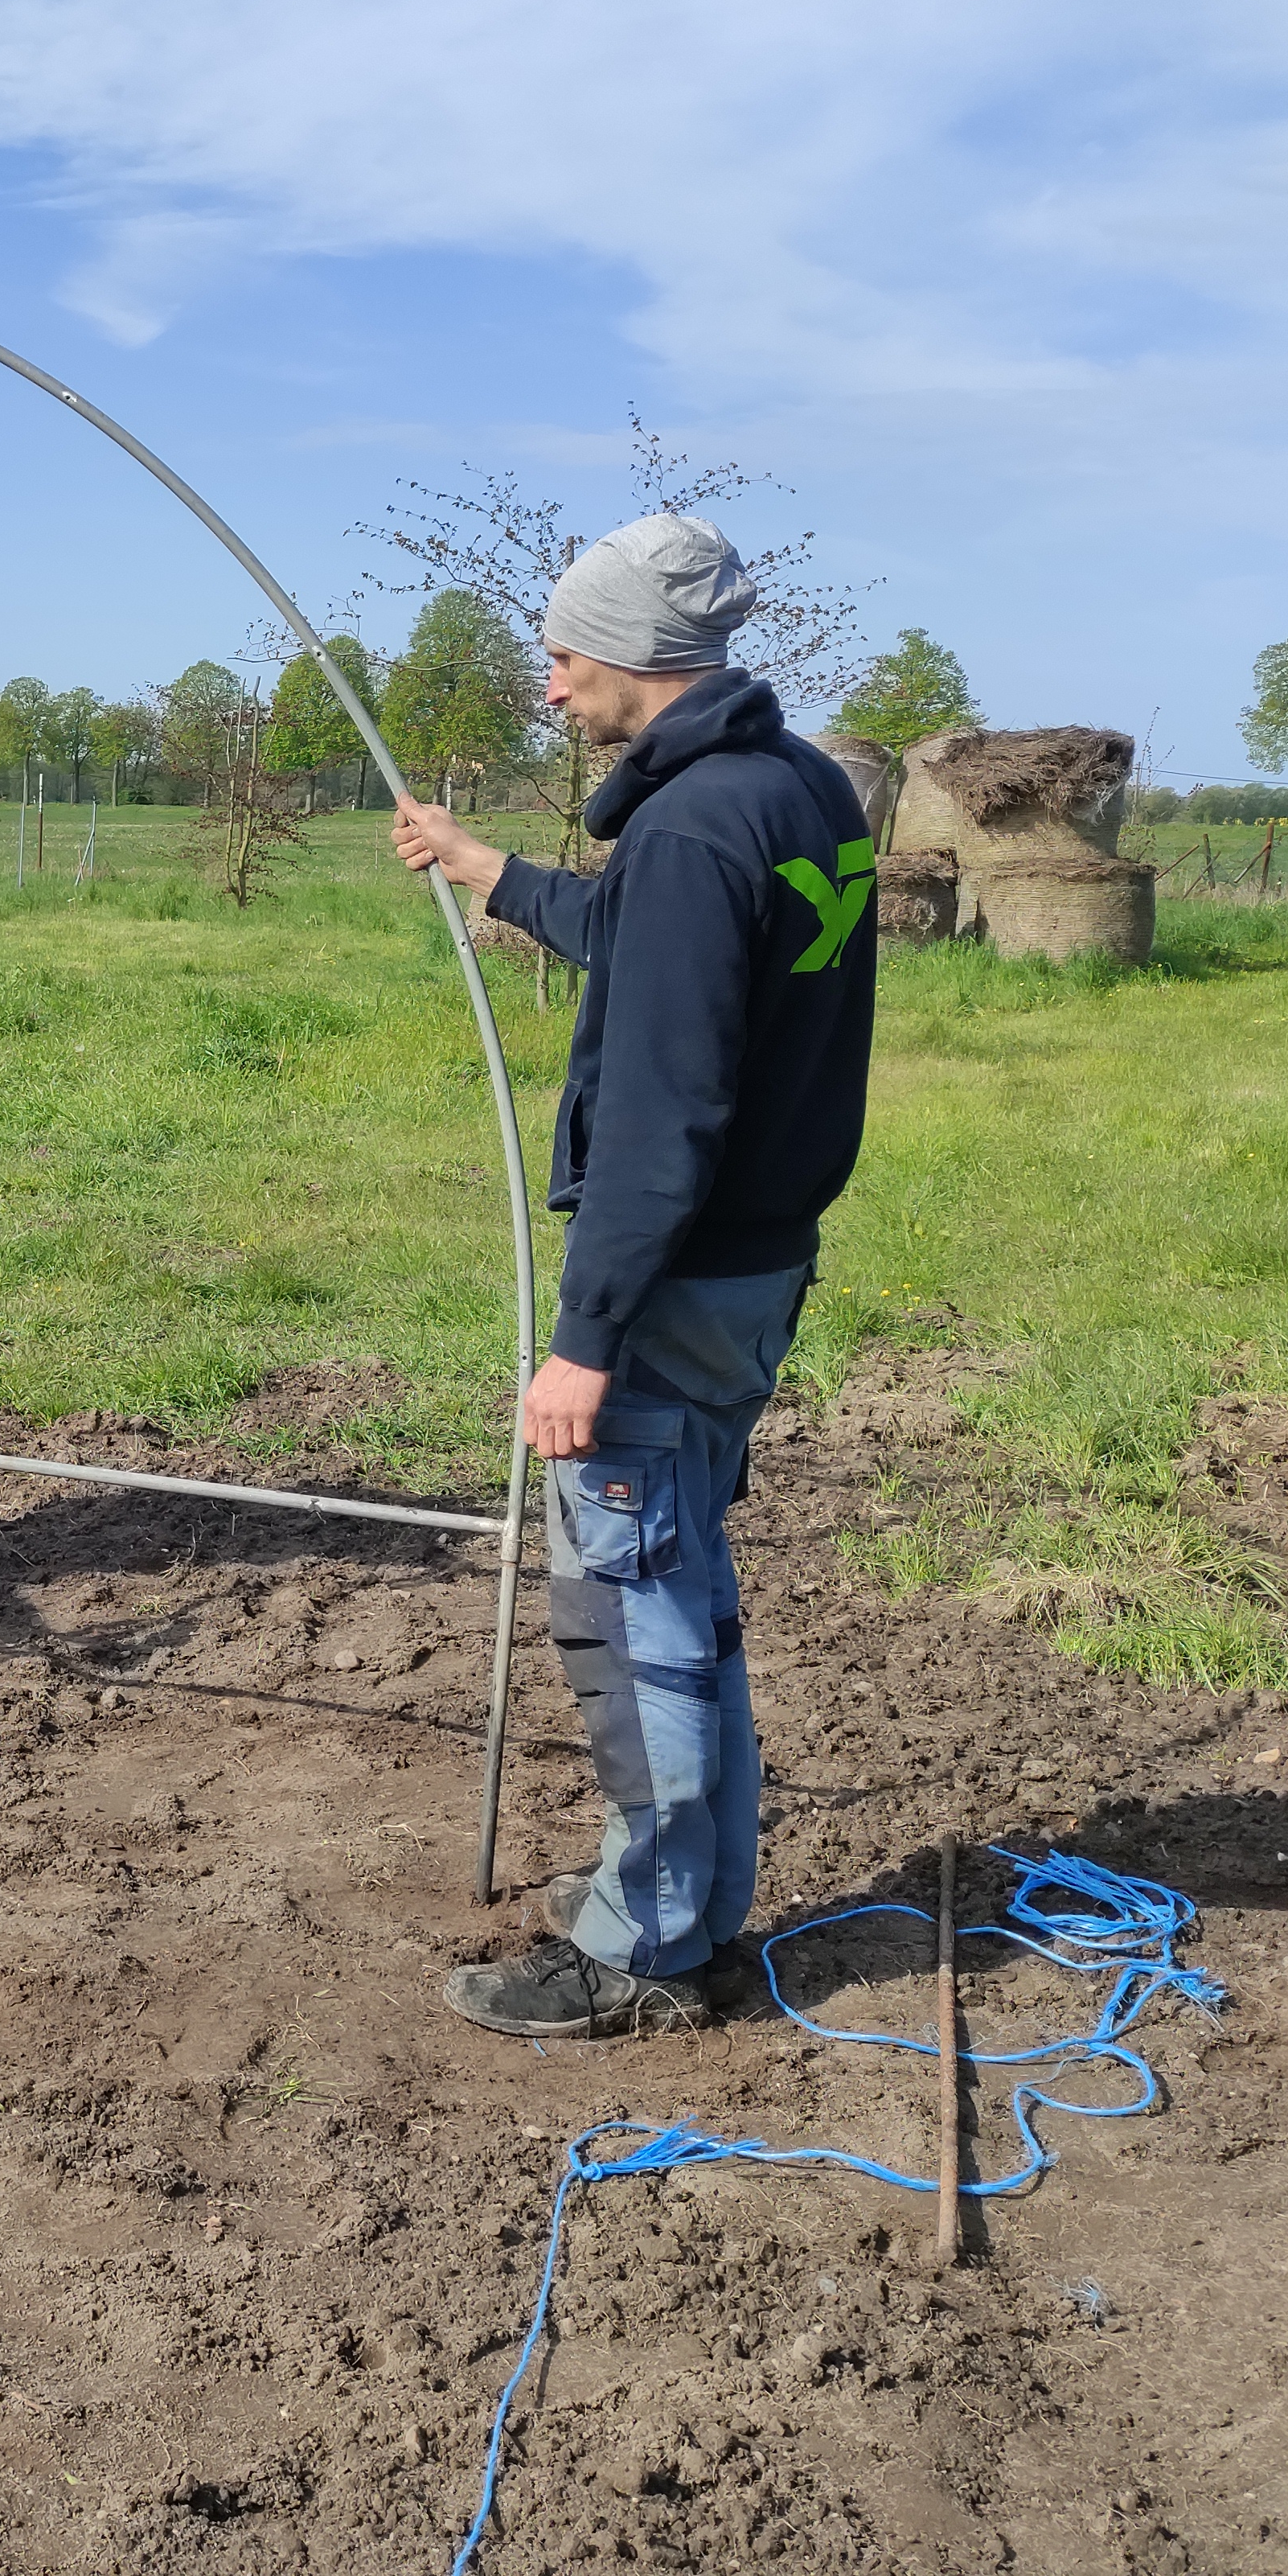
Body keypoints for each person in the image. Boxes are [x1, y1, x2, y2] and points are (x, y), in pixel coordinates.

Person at [391, 514, 878, 2039]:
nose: (546, 689)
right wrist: (490, 872)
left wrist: (582, 1338)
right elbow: (664, 940)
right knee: (684, 1584)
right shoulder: (793, 785)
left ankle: (643, 1948)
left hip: (663, 1292)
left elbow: (665, 1110)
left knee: (631, 1613)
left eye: (556, 657)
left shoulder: (689, 823)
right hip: (751, 1271)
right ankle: (684, 1892)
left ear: (627, 656)